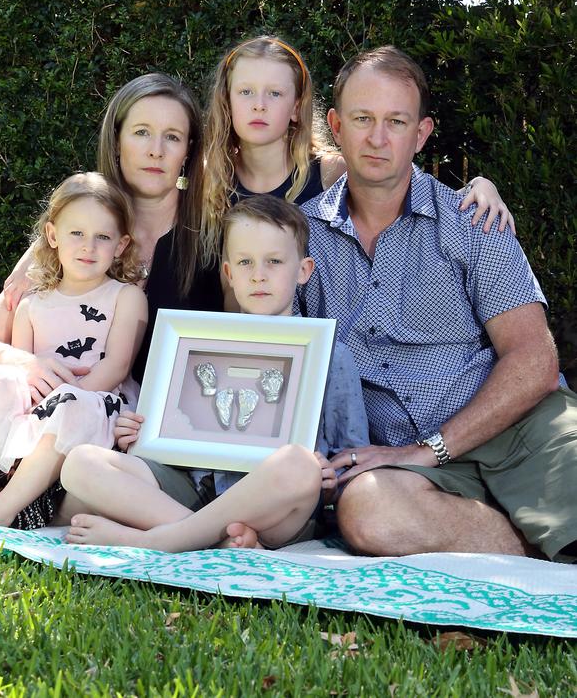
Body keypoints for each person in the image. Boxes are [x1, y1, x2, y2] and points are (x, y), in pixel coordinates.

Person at [298, 45, 577, 562]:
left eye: (396, 122)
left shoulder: (473, 220)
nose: (377, 138)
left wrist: (430, 450)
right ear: (335, 125)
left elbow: (534, 362)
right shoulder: (301, 240)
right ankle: (536, 549)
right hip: (407, 465)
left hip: (520, 431)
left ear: (421, 134)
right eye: (362, 119)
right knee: (366, 511)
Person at [60, 195, 370, 551]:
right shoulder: (196, 343)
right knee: (80, 463)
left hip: (275, 509)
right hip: (194, 490)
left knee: (299, 466)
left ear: (303, 270)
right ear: (229, 274)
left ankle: (163, 539)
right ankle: (211, 539)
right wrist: (141, 436)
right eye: (245, 262)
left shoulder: (330, 355)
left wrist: (332, 478)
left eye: (274, 261)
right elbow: (172, 434)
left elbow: (351, 454)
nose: (258, 274)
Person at [0, 73, 223, 399]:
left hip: (169, 429)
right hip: (59, 419)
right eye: (141, 132)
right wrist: (24, 363)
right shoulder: (75, 234)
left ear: (188, 151)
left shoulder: (215, 237)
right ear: (116, 142)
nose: (155, 150)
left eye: (172, 137)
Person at [0, 172, 147, 528]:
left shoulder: (126, 297)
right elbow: (19, 376)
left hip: (93, 402)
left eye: (102, 237)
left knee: (71, 408)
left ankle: (3, 509)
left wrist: (61, 400)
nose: (88, 246)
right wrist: (30, 404)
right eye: (76, 233)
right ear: (52, 235)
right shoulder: (32, 304)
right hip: (37, 406)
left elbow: (117, 368)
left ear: (120, 246)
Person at [200, 34, 516, 271]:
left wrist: (479, 186)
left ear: (296, 106)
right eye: (245, 91)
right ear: (227, 102)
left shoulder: (329, 173)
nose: (259, 104)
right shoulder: (207, 179)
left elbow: (399, 183)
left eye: (275, 93)